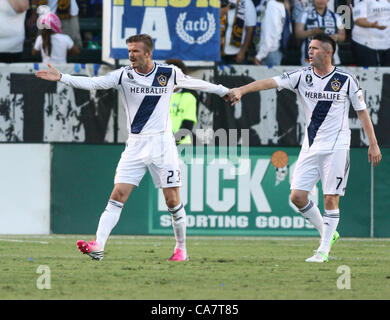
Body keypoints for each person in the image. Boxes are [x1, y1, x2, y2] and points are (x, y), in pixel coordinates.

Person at [35, 34, 229, 262]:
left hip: (163, 144)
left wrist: (224, 91)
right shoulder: (124, 75)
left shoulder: (168, 73)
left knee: (172, 201)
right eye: (129, 51)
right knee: (118, 194)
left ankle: (181, 249)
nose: (131, 55)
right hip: (135, 145)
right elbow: (95, 83)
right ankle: (98, 246)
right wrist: (62, 77)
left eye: (135, 51)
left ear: (148, 53)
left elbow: (197, 83)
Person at [227, 34, 382, 263]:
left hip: (336, 147)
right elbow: (269, 82)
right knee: (297, 196)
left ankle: (323, 251)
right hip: (310, 147)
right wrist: (241, 90)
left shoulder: (346, 79)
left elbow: (362, 111)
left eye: (315, 48)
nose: (309, 51)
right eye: (309, 47)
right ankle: (328, 234)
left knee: (330, 198)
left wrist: (374, 143)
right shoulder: (301, 76)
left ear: (328, 53)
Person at [295, 0, 345, 66]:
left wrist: (334, 37)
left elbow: (343, 36)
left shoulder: (336, 16)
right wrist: (313, 32)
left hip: (332, 58)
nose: (321, 1)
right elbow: (298, 34)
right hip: (309, 59)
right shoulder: (304, 14)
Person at [165, 58, 198, 145]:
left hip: (182, 147)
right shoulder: (157, 95)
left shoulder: (189, 97)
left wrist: (171, 142)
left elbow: (188, 125)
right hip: (159, 145)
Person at [351, 0, 390, 66]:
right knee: (370, 73)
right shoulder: (362, 2)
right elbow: (358, 21)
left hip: (386, 43)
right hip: (366, 44)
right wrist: (373, 25)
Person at [254, 0, 290, 66]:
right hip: (270, 52)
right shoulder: (272, 4)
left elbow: (270, 33)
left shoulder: (272, 5)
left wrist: (259, 56)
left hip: (269, 54)